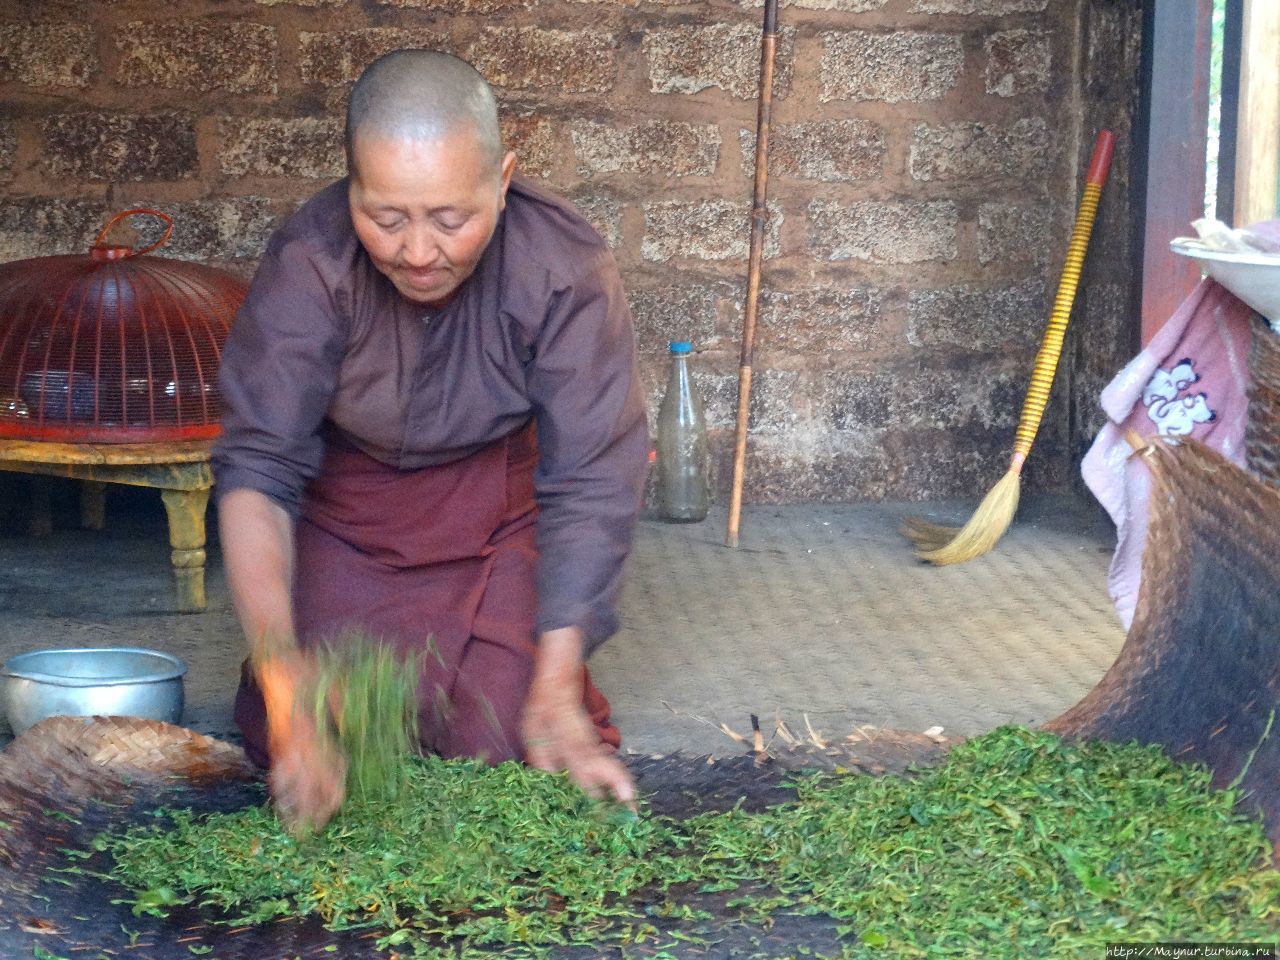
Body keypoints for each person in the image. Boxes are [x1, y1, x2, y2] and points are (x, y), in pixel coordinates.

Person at [211, 49, 648, 832]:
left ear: (503, 177)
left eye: (452, 219)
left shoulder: (562, 265)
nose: (418, 253)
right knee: (318, 721)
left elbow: (592, 478)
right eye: (385, 218)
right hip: (348, 522)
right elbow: (258, 471)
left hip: (499, 520)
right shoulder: (311, 262)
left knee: (506, 733)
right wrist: (284, 680)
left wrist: (556, 683)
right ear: (351, 186)